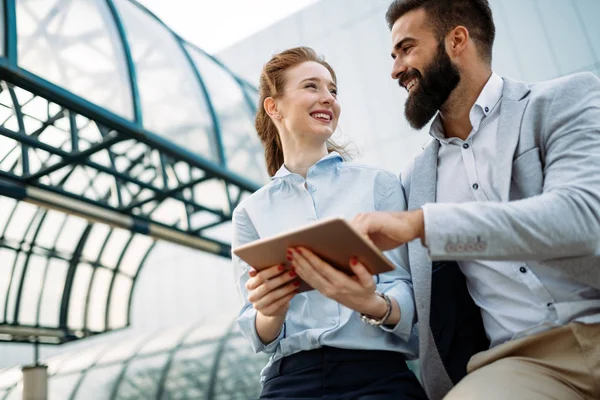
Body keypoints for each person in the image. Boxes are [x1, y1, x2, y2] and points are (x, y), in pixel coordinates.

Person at [349, 0, 600, 399]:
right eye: (393, 55)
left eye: (407, 49)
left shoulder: (563, 101)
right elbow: (417, 304)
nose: (395, 70)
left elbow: (581, 220)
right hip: (520, 363)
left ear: (457, 40)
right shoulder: (415, 181)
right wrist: (371, 299)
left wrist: (424, 225)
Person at [232, 46, 427, 400]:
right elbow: (256, 330)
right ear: (273, 107)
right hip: (290, 380)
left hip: (376, 375)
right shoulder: (250, 212)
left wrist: (372, 303)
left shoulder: (379, 184)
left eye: (333, 90)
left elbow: (407, 287)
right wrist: (270, 310)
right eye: (312, 87)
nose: (328, 99)